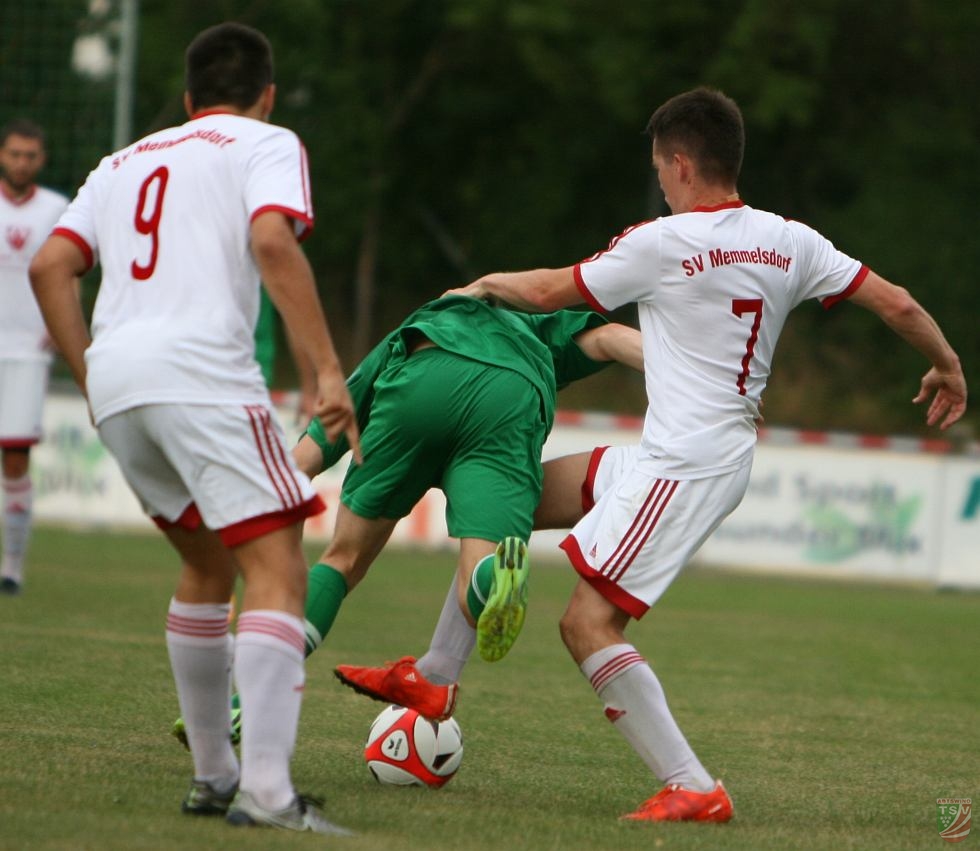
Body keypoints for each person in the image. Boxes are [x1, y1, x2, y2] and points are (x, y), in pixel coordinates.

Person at [438, 87, 966, 823]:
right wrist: (946, 363)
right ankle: (434, 680)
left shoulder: (663, 242)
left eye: (661, 168)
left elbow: (553, 289)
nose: (660, 182)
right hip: (690, 453)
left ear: (681, 163)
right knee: (510, 501)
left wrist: (480, 288)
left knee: (586, 624)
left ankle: (693, 785)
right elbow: (900, 303)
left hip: (686, 463)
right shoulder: (792, 239)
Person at [29, 22, 360, 835]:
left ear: (186, 99)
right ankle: (270, 794)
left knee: (208, 563)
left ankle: (216, 774)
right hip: (203, 375)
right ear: (267, 93)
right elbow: (272, 240)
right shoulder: (265, 141)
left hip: (119, 380)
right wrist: (326, 371)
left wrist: (90, 372)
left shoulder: (122, 160)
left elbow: (49, 266)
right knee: (279, 568)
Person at [169, 294, 642, 741]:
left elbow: (316, 448)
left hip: (421, 377)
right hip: (510, 393)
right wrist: (690, 370)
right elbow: (608, 337)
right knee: (479, 564)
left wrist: (245, 511)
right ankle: (487, 581)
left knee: (342, 560)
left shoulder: (420, 322)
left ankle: (244, 700)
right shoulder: (538, 327)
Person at [0, 120, 68, 596]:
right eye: (14, 153)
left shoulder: (56, 209)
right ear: (2, 155)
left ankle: (12, 567)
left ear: (40, 160)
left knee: (15, 460)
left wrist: (56, 330)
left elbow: (69, 273)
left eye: (30, 155)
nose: (21, 162)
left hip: (27, 353)